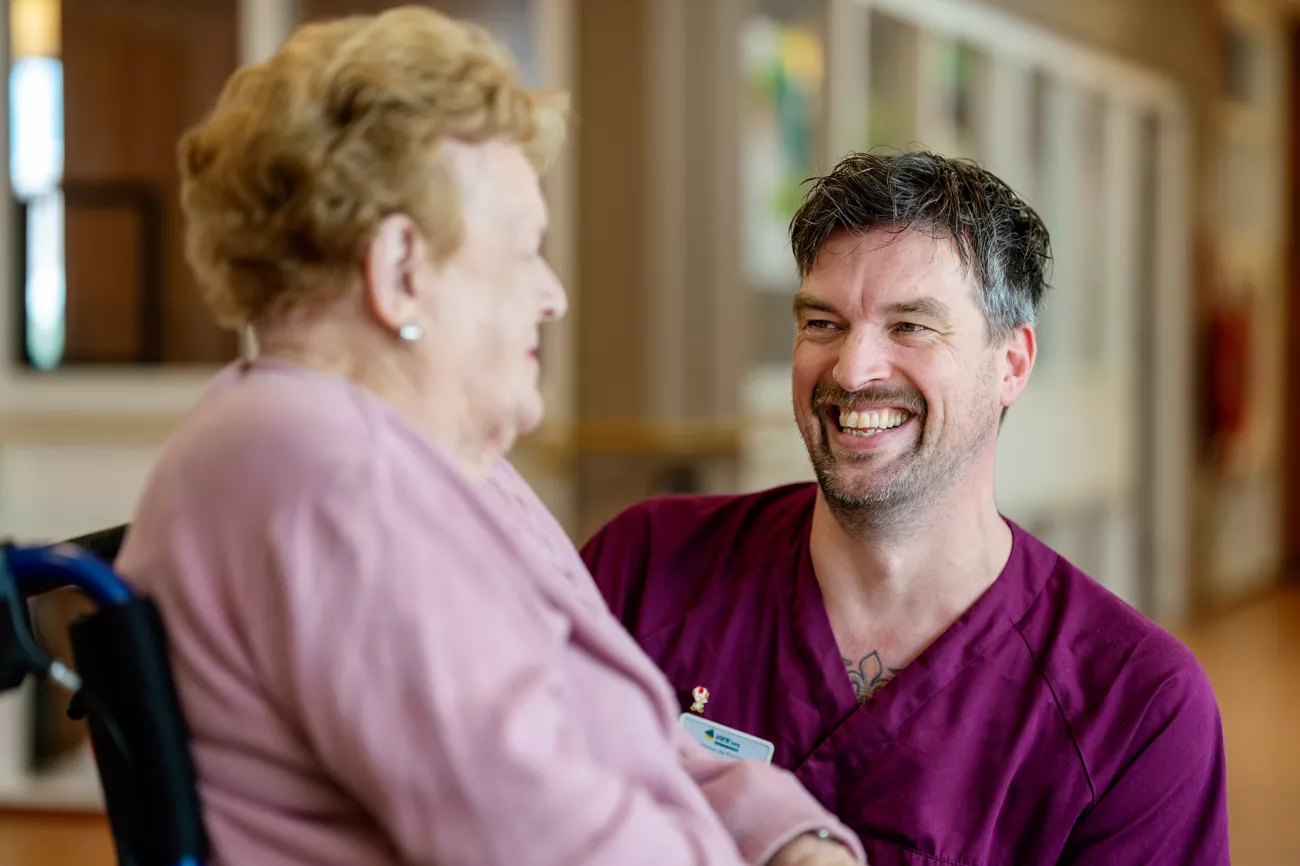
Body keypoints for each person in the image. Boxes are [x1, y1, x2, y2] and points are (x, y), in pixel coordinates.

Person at [113, 9, 865, 866]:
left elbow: (635, 732)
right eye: (523, 250)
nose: (553, 295)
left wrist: (787, 840)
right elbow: (544, 841)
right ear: (401, 272)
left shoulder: (437, 454)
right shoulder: (331, 474)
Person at [581, 151, 1231, 864]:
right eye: (823, 323)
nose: (853, 371)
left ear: (1011, 363)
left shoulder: (1134, 707)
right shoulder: (644, 569)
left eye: (911, 326)